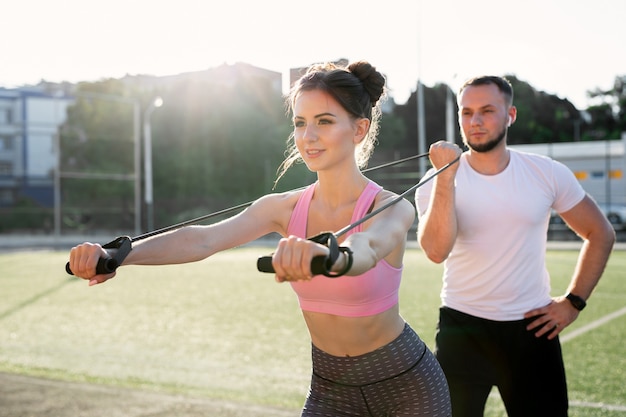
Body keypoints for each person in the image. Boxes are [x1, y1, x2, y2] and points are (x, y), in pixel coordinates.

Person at [69, 60, 452, 417]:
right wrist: (118, 254)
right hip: (331, 389)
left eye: (324, 121)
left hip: (408, 387)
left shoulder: (390, 206)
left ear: (359, 129)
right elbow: (203, 240)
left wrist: (328, 254)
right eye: (301, 123)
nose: (309, 136)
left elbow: (366, 249)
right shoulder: (282, 209)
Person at [415, 75, 616, 417]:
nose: (475, 121)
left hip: (531, 329)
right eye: (467, 112)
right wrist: (446, 176)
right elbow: (436, 251)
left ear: (511, 115)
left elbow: (600, 233)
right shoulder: (437, 179)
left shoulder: (546, 173)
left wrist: (573, 302)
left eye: (487, 111)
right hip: (462, 331)